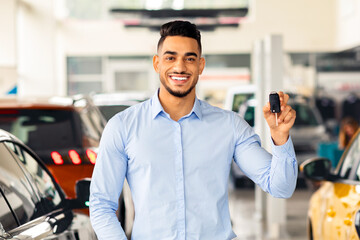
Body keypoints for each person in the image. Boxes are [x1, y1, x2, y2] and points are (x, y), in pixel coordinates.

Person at [90, 20, 298, 240]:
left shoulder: (230, 126)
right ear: (157, 63)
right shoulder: (123, 127)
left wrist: (280, 138)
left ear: (200, 65)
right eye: (171, 57)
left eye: (189, 59)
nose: (180, 67)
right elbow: (102, 205)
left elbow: (281, 188)